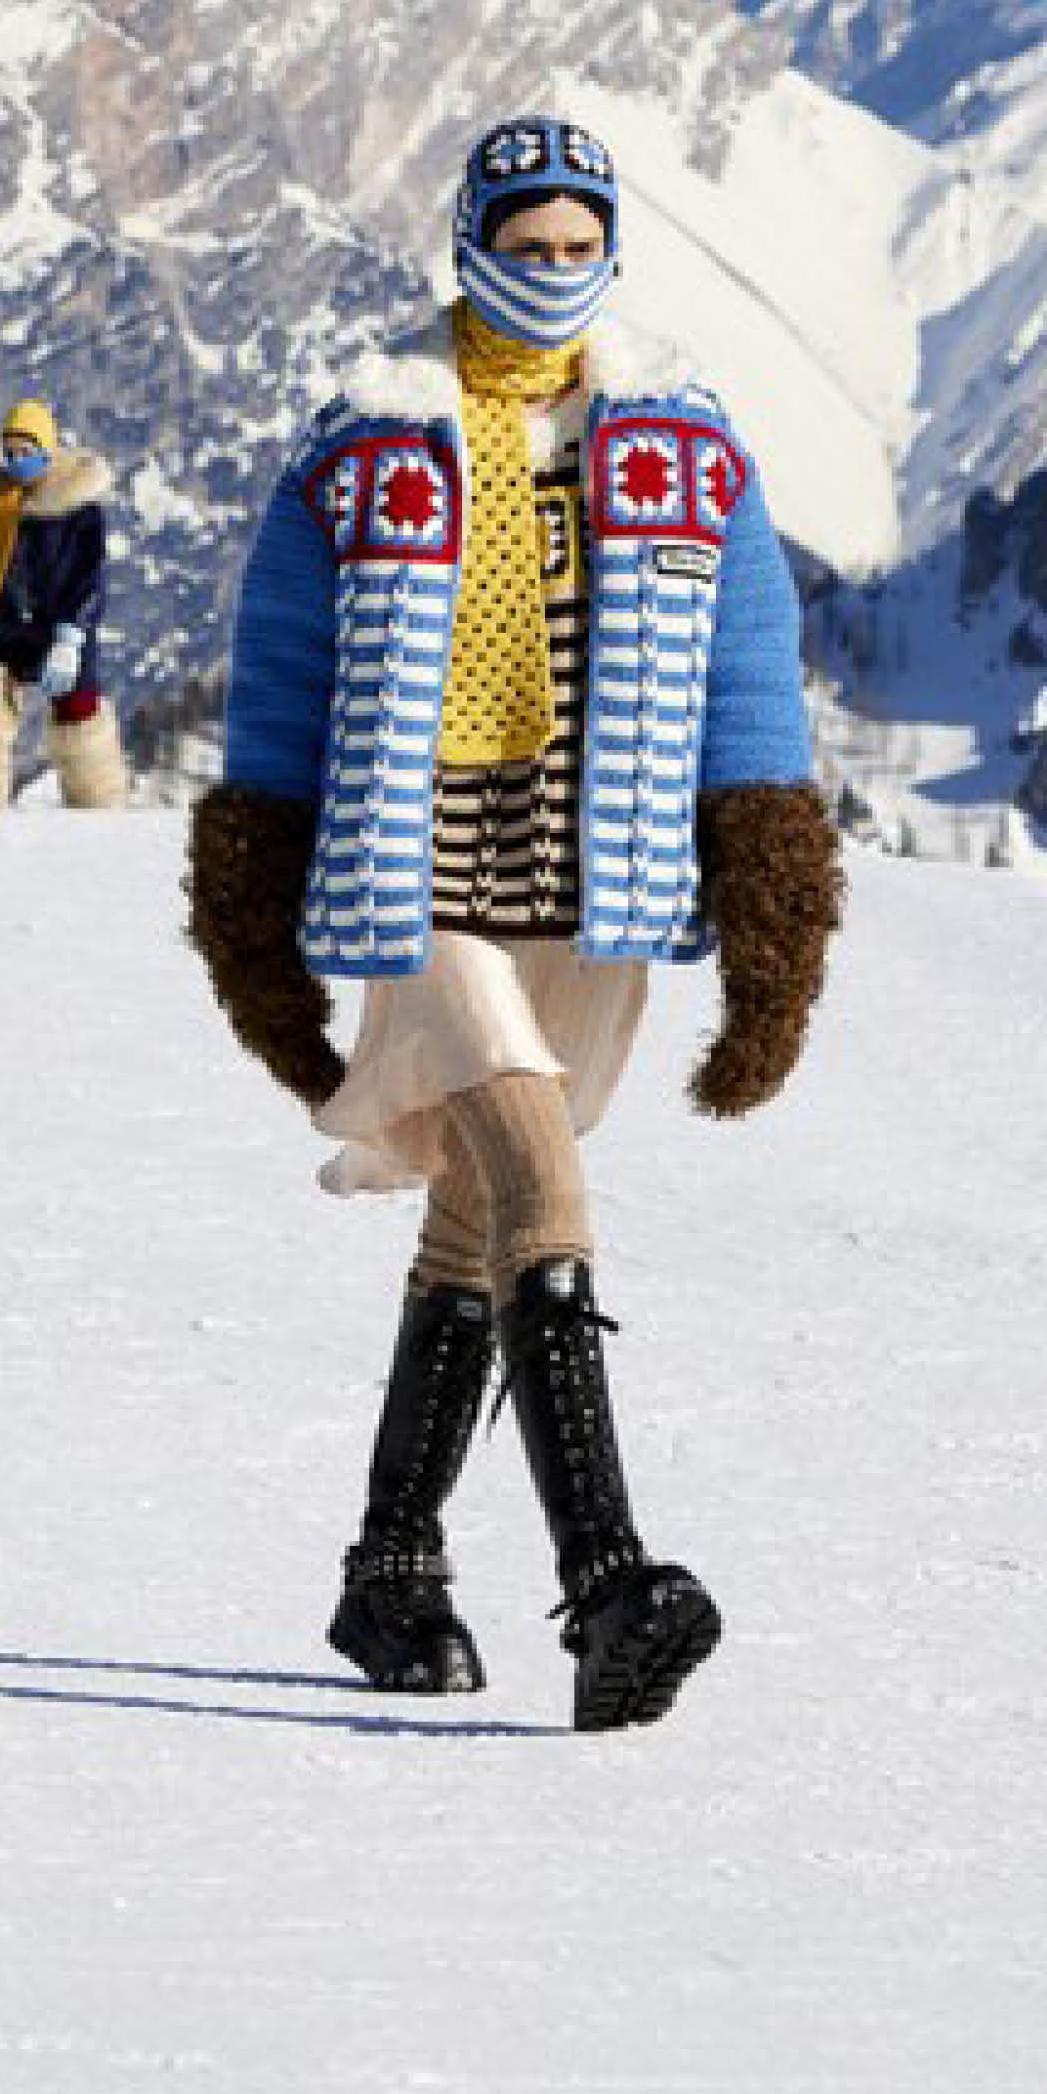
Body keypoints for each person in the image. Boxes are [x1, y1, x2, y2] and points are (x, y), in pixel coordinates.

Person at [182, 115, 841, 1731]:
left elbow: (749, 685)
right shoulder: (367, 448)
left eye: (576, 248)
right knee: (541, 1174)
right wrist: (257, 929)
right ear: (470, 246)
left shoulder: (685, 451)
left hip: (592, 889)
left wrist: (770, 924)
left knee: (475, 1213)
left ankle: (389, 1569)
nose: (551, 273)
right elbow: (281, 686)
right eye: (525, 246)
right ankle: (609, 1581)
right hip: (418, 887)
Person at [0, 396, 130, 813]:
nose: (16, 460)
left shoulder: (77, 509)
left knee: (79, 715)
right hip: (9, 629)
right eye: (9, 451)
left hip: (64, 629)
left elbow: (89, 577)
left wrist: (72, 635)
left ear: (46, 448)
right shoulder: (3, 505)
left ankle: (102, 814)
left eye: (25, 450)